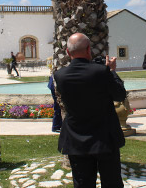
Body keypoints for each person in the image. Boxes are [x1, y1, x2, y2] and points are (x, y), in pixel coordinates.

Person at [54, 33, 126, 188]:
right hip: (104, 136)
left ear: (67, 52)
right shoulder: (101, 72)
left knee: (82, 183)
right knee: (112, 181)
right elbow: (119, 94)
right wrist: (112, 71)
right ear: (89, 50)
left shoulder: (60, 75)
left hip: (76, 137)